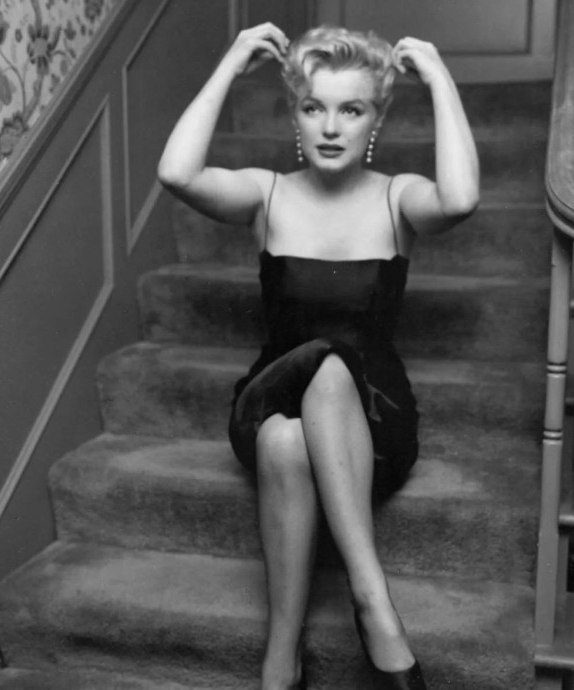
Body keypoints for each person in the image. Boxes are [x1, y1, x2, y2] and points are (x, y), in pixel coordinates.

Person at [158, 22, 479, 690]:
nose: (331, 127)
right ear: (296, 116)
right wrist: (231, 62)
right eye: (314, 107)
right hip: (271, 392)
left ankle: (295, 650)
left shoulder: (397, 196)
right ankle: (364, 610)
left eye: (351, 109)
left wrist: (439, 77)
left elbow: (460, 199)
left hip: (372, 416)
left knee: (308, 408)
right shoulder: (267, 192)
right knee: (298, 398)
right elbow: (176, 172)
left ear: (375, 120)